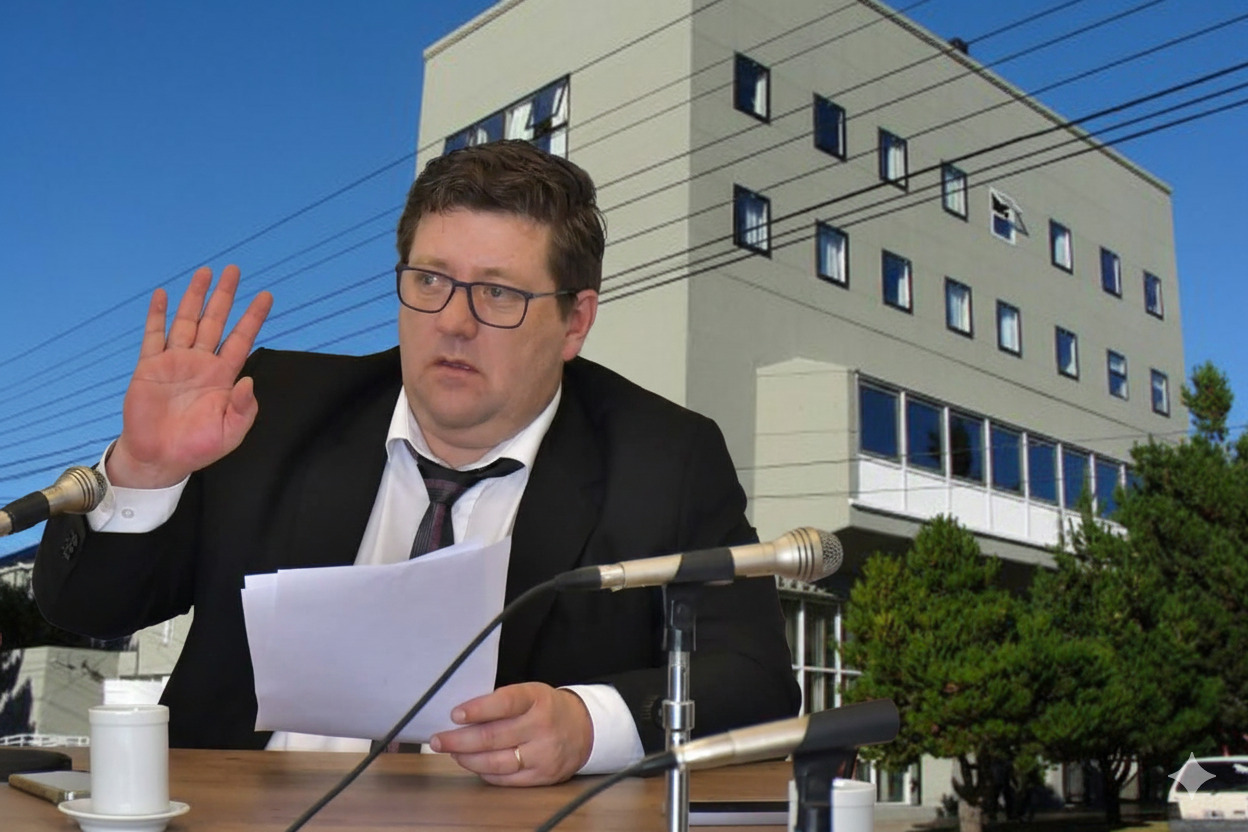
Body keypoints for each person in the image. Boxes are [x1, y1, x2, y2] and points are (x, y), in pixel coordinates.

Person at [34, 140, 800, 786]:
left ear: (575, 322)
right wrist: (145, 470)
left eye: (498, 293)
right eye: (430, 280)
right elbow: (87, 609)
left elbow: (756, 679)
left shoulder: (664, 458)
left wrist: (586, 724)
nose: (455, 322)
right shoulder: (270, 408)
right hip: (239, 812)